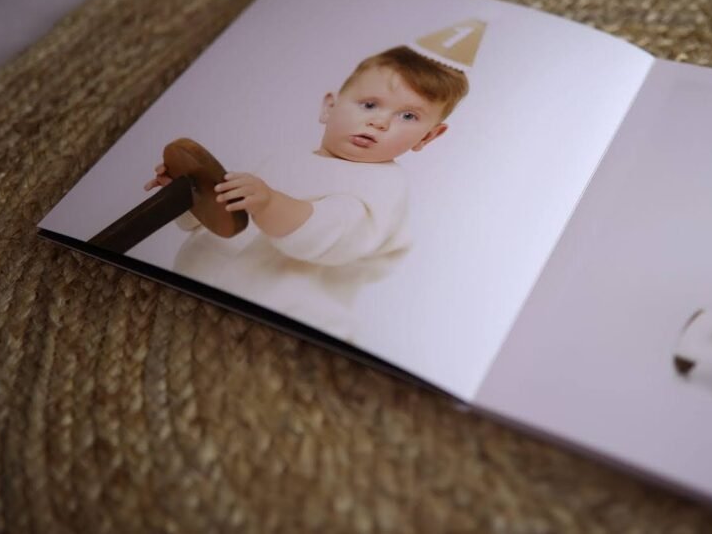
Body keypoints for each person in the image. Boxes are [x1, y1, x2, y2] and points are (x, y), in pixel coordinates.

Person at [145, 45, 470, 341]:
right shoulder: (285, 158)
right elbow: (226, 219)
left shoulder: (382, 185)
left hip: (286, 321)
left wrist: (270, 203)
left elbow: (332, 234)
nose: (380, 122)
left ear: (427, 137)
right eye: (370, 104)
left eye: (408, 116)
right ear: (329, 106)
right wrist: (188, 194)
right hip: (199, 288)